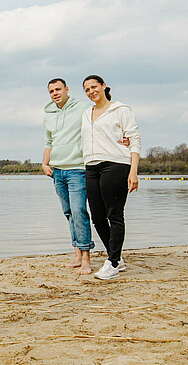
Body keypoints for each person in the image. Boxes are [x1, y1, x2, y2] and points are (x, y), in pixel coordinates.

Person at [81, 75, 141, 280]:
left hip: (116, 164)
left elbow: (134, 140)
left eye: (94, 87)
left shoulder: (121, 110)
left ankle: (113, 262)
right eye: (87, 89)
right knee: (97, 217)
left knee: (114, 214)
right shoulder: (86, 113)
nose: (91, 92)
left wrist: (133, 171)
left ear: (104, 86)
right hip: (91, 166)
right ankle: (116, 256)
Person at [42, 78, 95, 274]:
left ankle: (87, 258)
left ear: (67, 89)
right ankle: (77, 253)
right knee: (69, 213)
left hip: (77, 169)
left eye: (58, 89)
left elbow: (98, 123)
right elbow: (48, 141)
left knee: (79, 210)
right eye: (51, 91)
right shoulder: (48, 113)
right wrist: (44, 163)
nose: (55, 93)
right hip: (57, 171)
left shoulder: (82, 107)